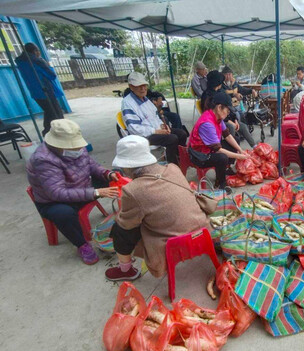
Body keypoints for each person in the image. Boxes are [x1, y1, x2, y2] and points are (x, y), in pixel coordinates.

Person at [105, 136, 210, 281]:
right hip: (202, 230)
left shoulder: (132, 190)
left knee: (120, 230)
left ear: (127, 167)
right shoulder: (173, 168)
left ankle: (126, 269)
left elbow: (127, 223)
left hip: (175, 243)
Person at [26, 119, 119, 264]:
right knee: (64, 214)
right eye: (73, 147)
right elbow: (56, 192)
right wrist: (95, 192)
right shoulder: (43, 159)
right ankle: (82, 245)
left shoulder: (76, 149)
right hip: (54, 201)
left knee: (117, 177)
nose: (78, 149)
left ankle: (127, 216)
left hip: (81, 187)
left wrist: (107, 173)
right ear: (57, 144)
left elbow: (92, 165)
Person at [189, 92, 250, 189]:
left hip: (209, 148)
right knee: (222, 157)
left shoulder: (218, 118)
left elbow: (227, 135)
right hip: (199, 155)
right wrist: (239, 156)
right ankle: (221, 183)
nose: (228, 113)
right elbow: (218, 150)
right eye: (227, 110)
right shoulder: (207, 123)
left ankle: (225, 168)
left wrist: (240, 150)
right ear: (219, 107)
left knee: (236, 139)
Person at [121, 71, 181, 165]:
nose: (143, 88)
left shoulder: (145, 99)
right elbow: (134, 129)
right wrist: (156, 131)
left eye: (144, 85)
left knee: (181, 133)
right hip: (143, 136)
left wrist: (162, 126)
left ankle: (176, 157)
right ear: (131, 87)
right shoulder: (127, 103)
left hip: (155, 130)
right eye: (139, 86)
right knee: (172, 139)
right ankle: (172, 165)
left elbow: (155, 116)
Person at [15, 43, 64, 136]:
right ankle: (55, 134)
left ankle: (47, 132)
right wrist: (47, 65)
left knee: (49, 112)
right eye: (38, 51)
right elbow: (52, 75)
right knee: (56, 114)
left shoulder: (20, 62)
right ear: (34, 51)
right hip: (45, 90)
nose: (39, 53)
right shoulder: (37, 61)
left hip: (35, 92)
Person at [221, 65, 256, 148]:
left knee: (244, 116)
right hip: (228, 109)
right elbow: (222, 96)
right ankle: (235, 142)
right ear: (222, 75)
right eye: (226, 74)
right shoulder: (221, 86)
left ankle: (253, 145)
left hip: (236, 107)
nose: (229, 76)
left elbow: (242, 90)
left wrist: (252, 90)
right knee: (237, 117)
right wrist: (234, 94)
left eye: (230, 74)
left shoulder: (234, 83)